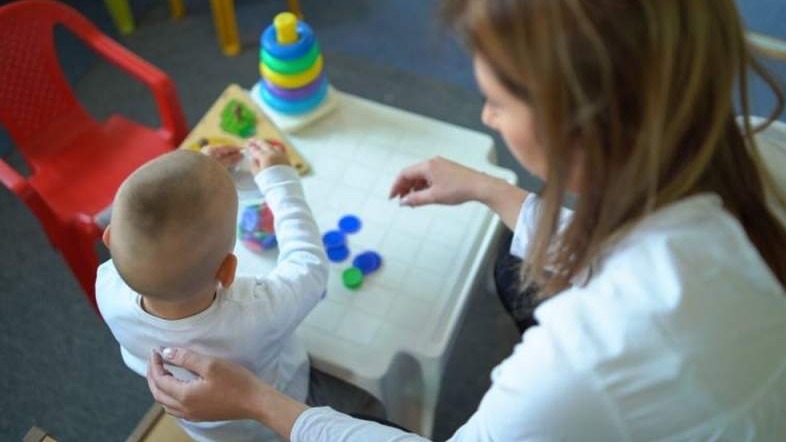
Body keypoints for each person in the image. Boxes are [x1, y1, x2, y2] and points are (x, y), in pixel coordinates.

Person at [145, 0, 786, 440]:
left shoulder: (588, 358)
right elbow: (624, 255)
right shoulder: (748, 143)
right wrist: (490, 189)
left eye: (497, 101)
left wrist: (257, 401)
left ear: (579, 129)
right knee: (514, 260)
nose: (484, 118)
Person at [96, 143, 380, 441]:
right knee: (370, 409)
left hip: (207, 428)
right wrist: (281, 180)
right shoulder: (256, 311)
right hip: (282, 412)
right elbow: (309, 266)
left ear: (109, 237)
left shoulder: (105, 287)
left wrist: (198, 174)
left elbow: (157, 224)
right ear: (227, 271)